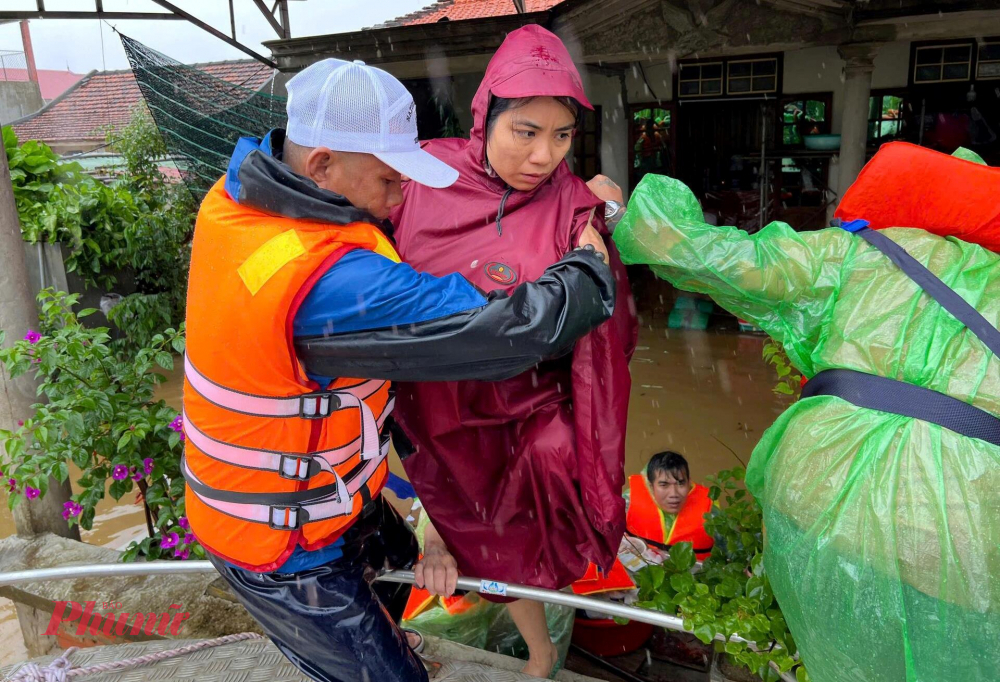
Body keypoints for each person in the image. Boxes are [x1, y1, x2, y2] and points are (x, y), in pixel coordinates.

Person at [182, 57, 618, 682]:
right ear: (322, 164)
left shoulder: (237, 199)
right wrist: (586, 266)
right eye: (389, 179)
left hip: (312, 491)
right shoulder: (332, 282)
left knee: (401, 557)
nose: (401, 196)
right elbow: (509, 332)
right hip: (279, 541)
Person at [612, 144, 1000, 682]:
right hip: (967, 522)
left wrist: (630, 213)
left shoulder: (863, 251)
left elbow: (718, 257)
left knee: (845, 660)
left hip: (822, 492)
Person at [386, 25, 639, 678]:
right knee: (453, 521)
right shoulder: (418, 177)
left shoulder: (570, 207)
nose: (543, 155)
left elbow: (597, 308)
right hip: (435, 403)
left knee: (542, 493)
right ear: (485, 115)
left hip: (522, 402)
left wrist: (602, 229)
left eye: (561, 136)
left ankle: (544, 642)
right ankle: (461, 575)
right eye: (525, 131)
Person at [625, 451, 714, 561]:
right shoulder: (629, 500)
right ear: (651, 486)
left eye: (680, 483)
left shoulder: (711, 510)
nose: (674, 494)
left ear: (689, 482)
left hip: (693, 575)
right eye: (664, 485)